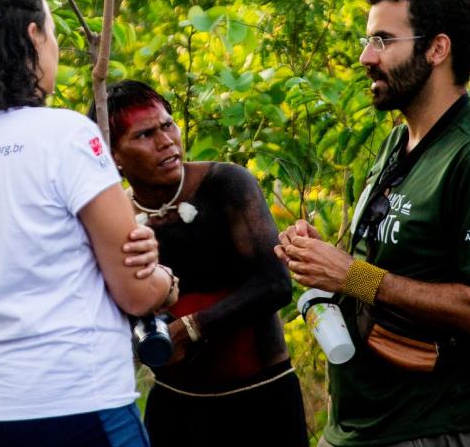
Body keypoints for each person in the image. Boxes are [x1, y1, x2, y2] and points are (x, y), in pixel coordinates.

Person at [0, 0, 176, 447]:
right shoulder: (64, 134)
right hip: (71, 403)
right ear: (32, 36)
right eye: (53, 32)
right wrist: (167, 282)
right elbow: (136, 292)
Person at [276, 0, 470, 447]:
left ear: (437, 49)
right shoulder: (399, 141)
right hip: (358, 426)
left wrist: (352, 275)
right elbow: (390, 259)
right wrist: (321, 260)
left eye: (382, 40)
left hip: (433, 429)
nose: (365, 57)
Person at [92, 79, 308, 446]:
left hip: (261, 402)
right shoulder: (115, 216)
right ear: (114, 155)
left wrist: (192, 327)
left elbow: (275, 284)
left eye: (167, 125)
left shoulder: (226, 184)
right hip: (177, 409)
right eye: (145, 135)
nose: (166, 141)